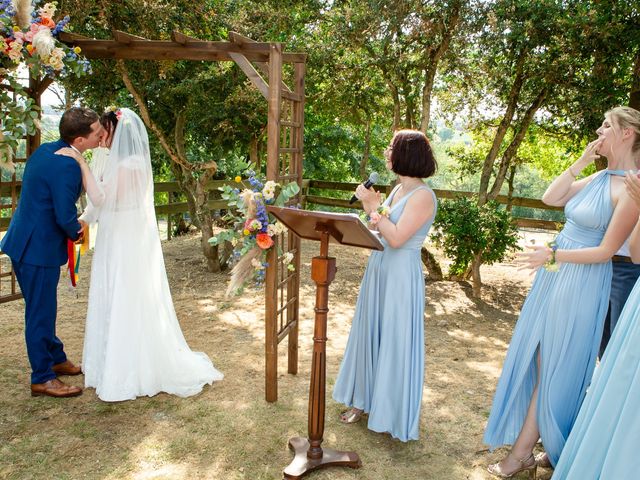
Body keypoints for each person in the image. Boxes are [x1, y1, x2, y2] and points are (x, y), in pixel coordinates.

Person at [484, 106, 640, 478]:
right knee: (542, 358)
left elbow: (607, 252)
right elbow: (552, 197)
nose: (599, 130)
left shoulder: (631, 187)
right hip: (555, 275)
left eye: (607, 126)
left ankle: (522, 454)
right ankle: (552, 442)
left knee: (556, 365)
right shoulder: (602, 176)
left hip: (583, 278)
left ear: (627, 134)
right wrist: (581, 161)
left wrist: (553, 254)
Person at [57, 107, 223, 401]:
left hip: (127, 238)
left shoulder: (131, 164)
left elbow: (104, 197)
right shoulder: (111, 160)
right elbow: (98, 204)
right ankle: (108, 361)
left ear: (116, 131)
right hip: (112, 235)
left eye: (104, 132)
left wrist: (81, 163)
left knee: (128, 294)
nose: (100, 138)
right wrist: (84, 219)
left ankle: (131, 368)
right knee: (111, 291)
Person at [332, 129, 438, 442]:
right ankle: (362, 401)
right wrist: (371, 215)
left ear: (407, 154)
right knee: (369, 334)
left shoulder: (423, 196)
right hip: (379, 268)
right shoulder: (396, 191)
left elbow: (397, 237)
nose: (387, 153)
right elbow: (380, 231)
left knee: (393, 338)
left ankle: (389, 410)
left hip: (401, 274)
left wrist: (371, 207)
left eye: (392, 148)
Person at [0, 107, 103, 398]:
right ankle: (42, 377)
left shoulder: (46, 151)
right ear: (80, 140)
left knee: (43, 307)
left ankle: (56, 358)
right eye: (96, 133)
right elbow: (63, 214)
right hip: (37, 249)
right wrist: (77, 231)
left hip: (23, 242)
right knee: (40, 313)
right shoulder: (68, 165)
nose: (100, 137)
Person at [552, 168, 640, 479]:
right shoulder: (614, 177)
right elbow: (637, 252)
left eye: (609, 126)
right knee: (605, 357)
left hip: (625, 272)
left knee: (620, 365)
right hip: (612, 266)